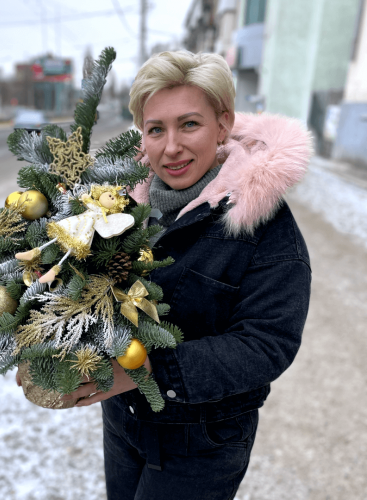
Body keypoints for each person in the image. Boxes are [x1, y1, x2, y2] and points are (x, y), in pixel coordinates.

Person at [18, 51, 313, 499]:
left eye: (189, 124)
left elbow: (266, 345)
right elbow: (84, 288)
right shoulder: (119, 206)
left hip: (203, 440)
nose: (170, 147)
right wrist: (35, 335)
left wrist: (145, 370)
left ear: (224, 123)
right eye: (156, 129)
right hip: (124, 422)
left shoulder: (264, 227)